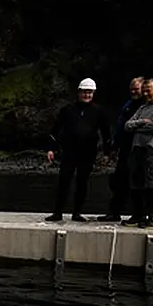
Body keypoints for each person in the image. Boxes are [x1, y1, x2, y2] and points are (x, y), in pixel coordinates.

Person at [44, 78, 112, 222]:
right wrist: (51, 148)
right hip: (69, 151)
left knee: (82, 182)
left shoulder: (99, 111)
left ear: (93, 93)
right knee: (64, 181)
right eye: (84, 92)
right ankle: (58, 212)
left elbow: (106, 133)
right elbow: (55, 130)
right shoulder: (67, 110)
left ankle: (77, 212)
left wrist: (107, 152)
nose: (87, 95)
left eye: (89, 92)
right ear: (79, 92)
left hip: (88, 152)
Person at [123, 78, 153, 228]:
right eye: (143, 90)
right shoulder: (143, 107)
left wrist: (138, 125)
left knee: (152, 184)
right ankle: (138, 215)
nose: (145, 93)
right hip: (137, 148)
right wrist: (141, 122)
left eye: (148, 90)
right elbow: (127, 125)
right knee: (136, 183)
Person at [97, 77, 145, 222]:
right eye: (131, 88)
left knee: (138, 183)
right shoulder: (128, 104)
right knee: (119, 181)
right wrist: (114, 146)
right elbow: (120, 126)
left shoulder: (147, 106)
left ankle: (139, 214)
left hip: (140, 148)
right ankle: (114, 212)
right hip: (124, 148)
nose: (133, 91)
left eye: (136, 88)